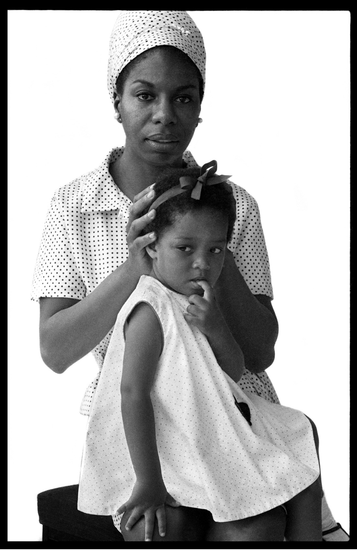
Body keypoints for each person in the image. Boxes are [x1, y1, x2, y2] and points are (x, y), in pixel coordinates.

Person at [31, 10, 348, 542]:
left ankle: (314, 528)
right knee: (163, 529)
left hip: (232, 408)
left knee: (254, 531)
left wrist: (207, 242)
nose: (164, 115)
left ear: (200, 109)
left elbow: (260, 353)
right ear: (116, 101)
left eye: (183, 98)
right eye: (143, 95)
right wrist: (138, 264)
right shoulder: (74, 206)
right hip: (142, 418)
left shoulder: (235, 207)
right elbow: (55, 351)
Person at [78, 162, 323, 541]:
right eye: (185, 248)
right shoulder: (150, 308)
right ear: (152, 245)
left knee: (301, 431)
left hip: (206, 429)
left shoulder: (200, 300)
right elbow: (132, 393)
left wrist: (217, 328)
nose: (202, 263)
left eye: (216, 250)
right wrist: (148, 481)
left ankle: (313, 538)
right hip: (166, 444)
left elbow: (234, 368)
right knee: (292, 444)